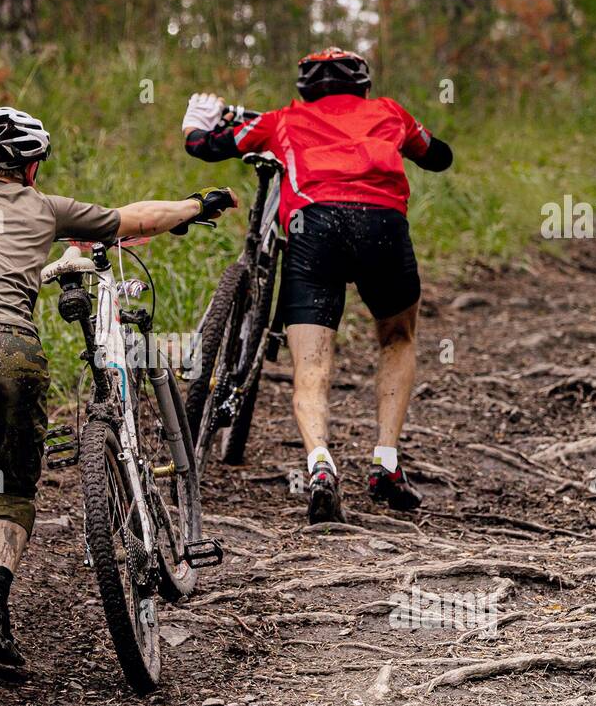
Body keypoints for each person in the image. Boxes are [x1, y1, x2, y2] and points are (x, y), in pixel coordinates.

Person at [0, 106, 236, 706]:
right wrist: (196, 205)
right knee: (8, 484)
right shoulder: (43, 207)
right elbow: (138, 219)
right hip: (14, 353)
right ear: (31, 168)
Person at [181, 47, 453, 524]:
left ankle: (320, 466)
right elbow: (439, 157)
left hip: (314, 228)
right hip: (382, 228)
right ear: (365, 86)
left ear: (303, 91)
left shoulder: (284, 120)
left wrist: (194, 124)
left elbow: (206, 147)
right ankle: (386, 462)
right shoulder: (390, 113)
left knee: (311, 361)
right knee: (397, 336)